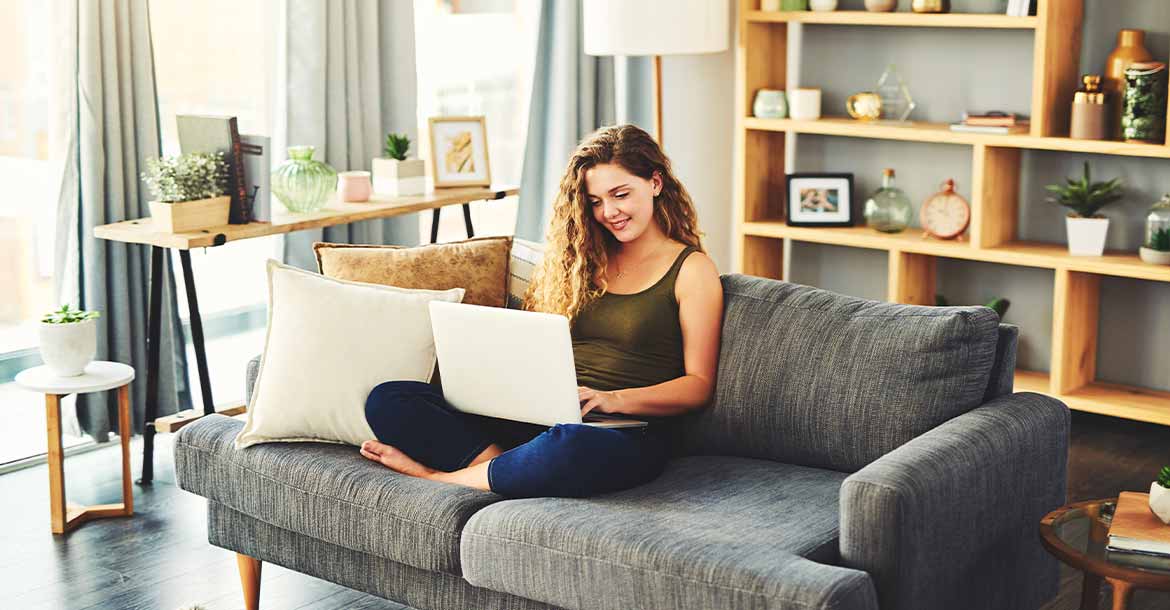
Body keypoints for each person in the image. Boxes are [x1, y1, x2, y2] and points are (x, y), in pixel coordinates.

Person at [359, 124, 724, 498]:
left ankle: (439, 479)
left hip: (624, 431)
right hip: (545, 415)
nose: (609, 212)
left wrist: (611, 399)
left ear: (656, 183)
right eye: (595, 202)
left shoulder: (691, 270)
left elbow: (698, 387)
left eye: (620, 194)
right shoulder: (581, 259)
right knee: (390, 399)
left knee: (568, 445)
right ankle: (503, 468)